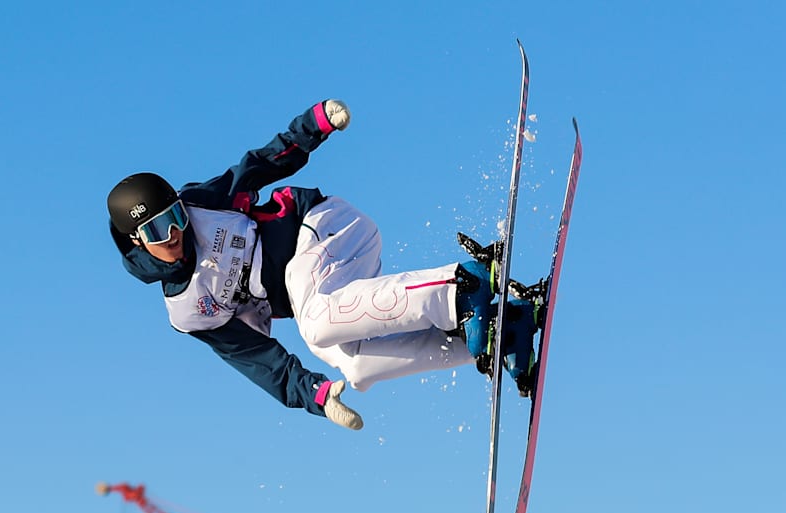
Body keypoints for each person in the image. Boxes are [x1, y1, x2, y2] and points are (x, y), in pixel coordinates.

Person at [107, 100, 538, 431]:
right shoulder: (189, 311)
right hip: (322, 286)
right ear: (136, 241)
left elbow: (257, 165)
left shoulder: (205, 204)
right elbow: (258, 358)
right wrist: (313, 395)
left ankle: (463, 286)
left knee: (315, 322)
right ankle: (500, 333)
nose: (176, 233)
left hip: (322, 227)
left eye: (176, 216)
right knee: (356, 363)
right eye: (159, 229)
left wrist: (314, 125)